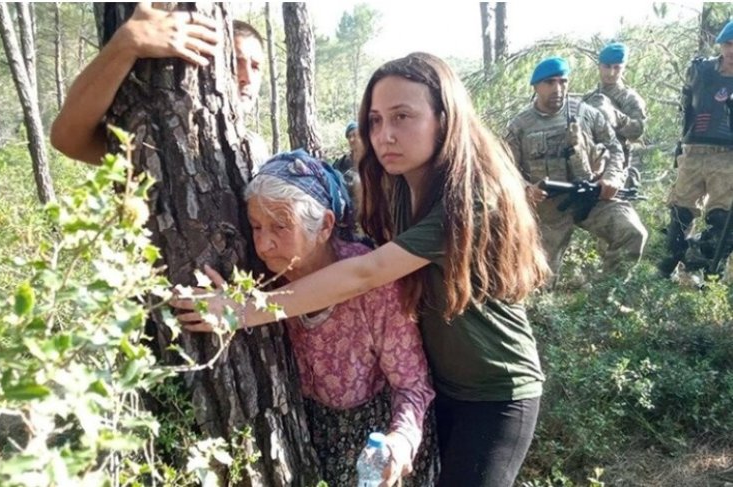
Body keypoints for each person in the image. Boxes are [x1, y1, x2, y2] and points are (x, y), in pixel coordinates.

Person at [175, 52, 549, 487]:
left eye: (402, 116)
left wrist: (243, 310)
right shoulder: (400, 190)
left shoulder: (469, 198)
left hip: (497, 390)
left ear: (444, 119)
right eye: (375, 120)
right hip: (446, 384)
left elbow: (365, 273)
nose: (384, 135)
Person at [231, 150, 437, 485]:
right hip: (301, 435)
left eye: (280, 226)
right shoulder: (264, 277)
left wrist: (400, 441)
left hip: (373, 446)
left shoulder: (373, 285)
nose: (264, 244)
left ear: (325, 225)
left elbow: (412, 384)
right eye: (256, 226)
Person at [50, 5, 269, 166]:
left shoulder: (259, 152)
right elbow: (68, 137)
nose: (246, 77)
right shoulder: (159, 134)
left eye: (256, 66)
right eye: (234, 63)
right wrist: (126, 45)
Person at [505, 56, 648, 281]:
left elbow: (614, 147)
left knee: (631, 233)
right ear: (535, 86)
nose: (558, 88)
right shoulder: (520, 125)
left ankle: (605, 299)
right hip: (549, 207)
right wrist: (526, 189)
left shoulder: (586, 113)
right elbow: (505, 169)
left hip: (592, 196)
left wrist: (611, 177)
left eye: (563, 81)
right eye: (550, 82)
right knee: (538, 277)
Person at [658, 20, 733, 277]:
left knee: (723, 220)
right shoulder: (701, 70)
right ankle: (669, 266)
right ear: (721, 45)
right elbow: (687, 106)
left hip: (728, 156)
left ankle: (705, 267)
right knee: (680, 212)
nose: (732, 50)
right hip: (694, 148)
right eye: (728, 44)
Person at [583, 42, 648, 184]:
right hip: (588, 166)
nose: (611, 72)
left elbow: (637, 131)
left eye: (616, 67)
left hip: (616, 168)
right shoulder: (588, 98)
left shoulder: (630, 98)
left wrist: (617, 118)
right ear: (599, 66)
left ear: (623, 68)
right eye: (607, 66)